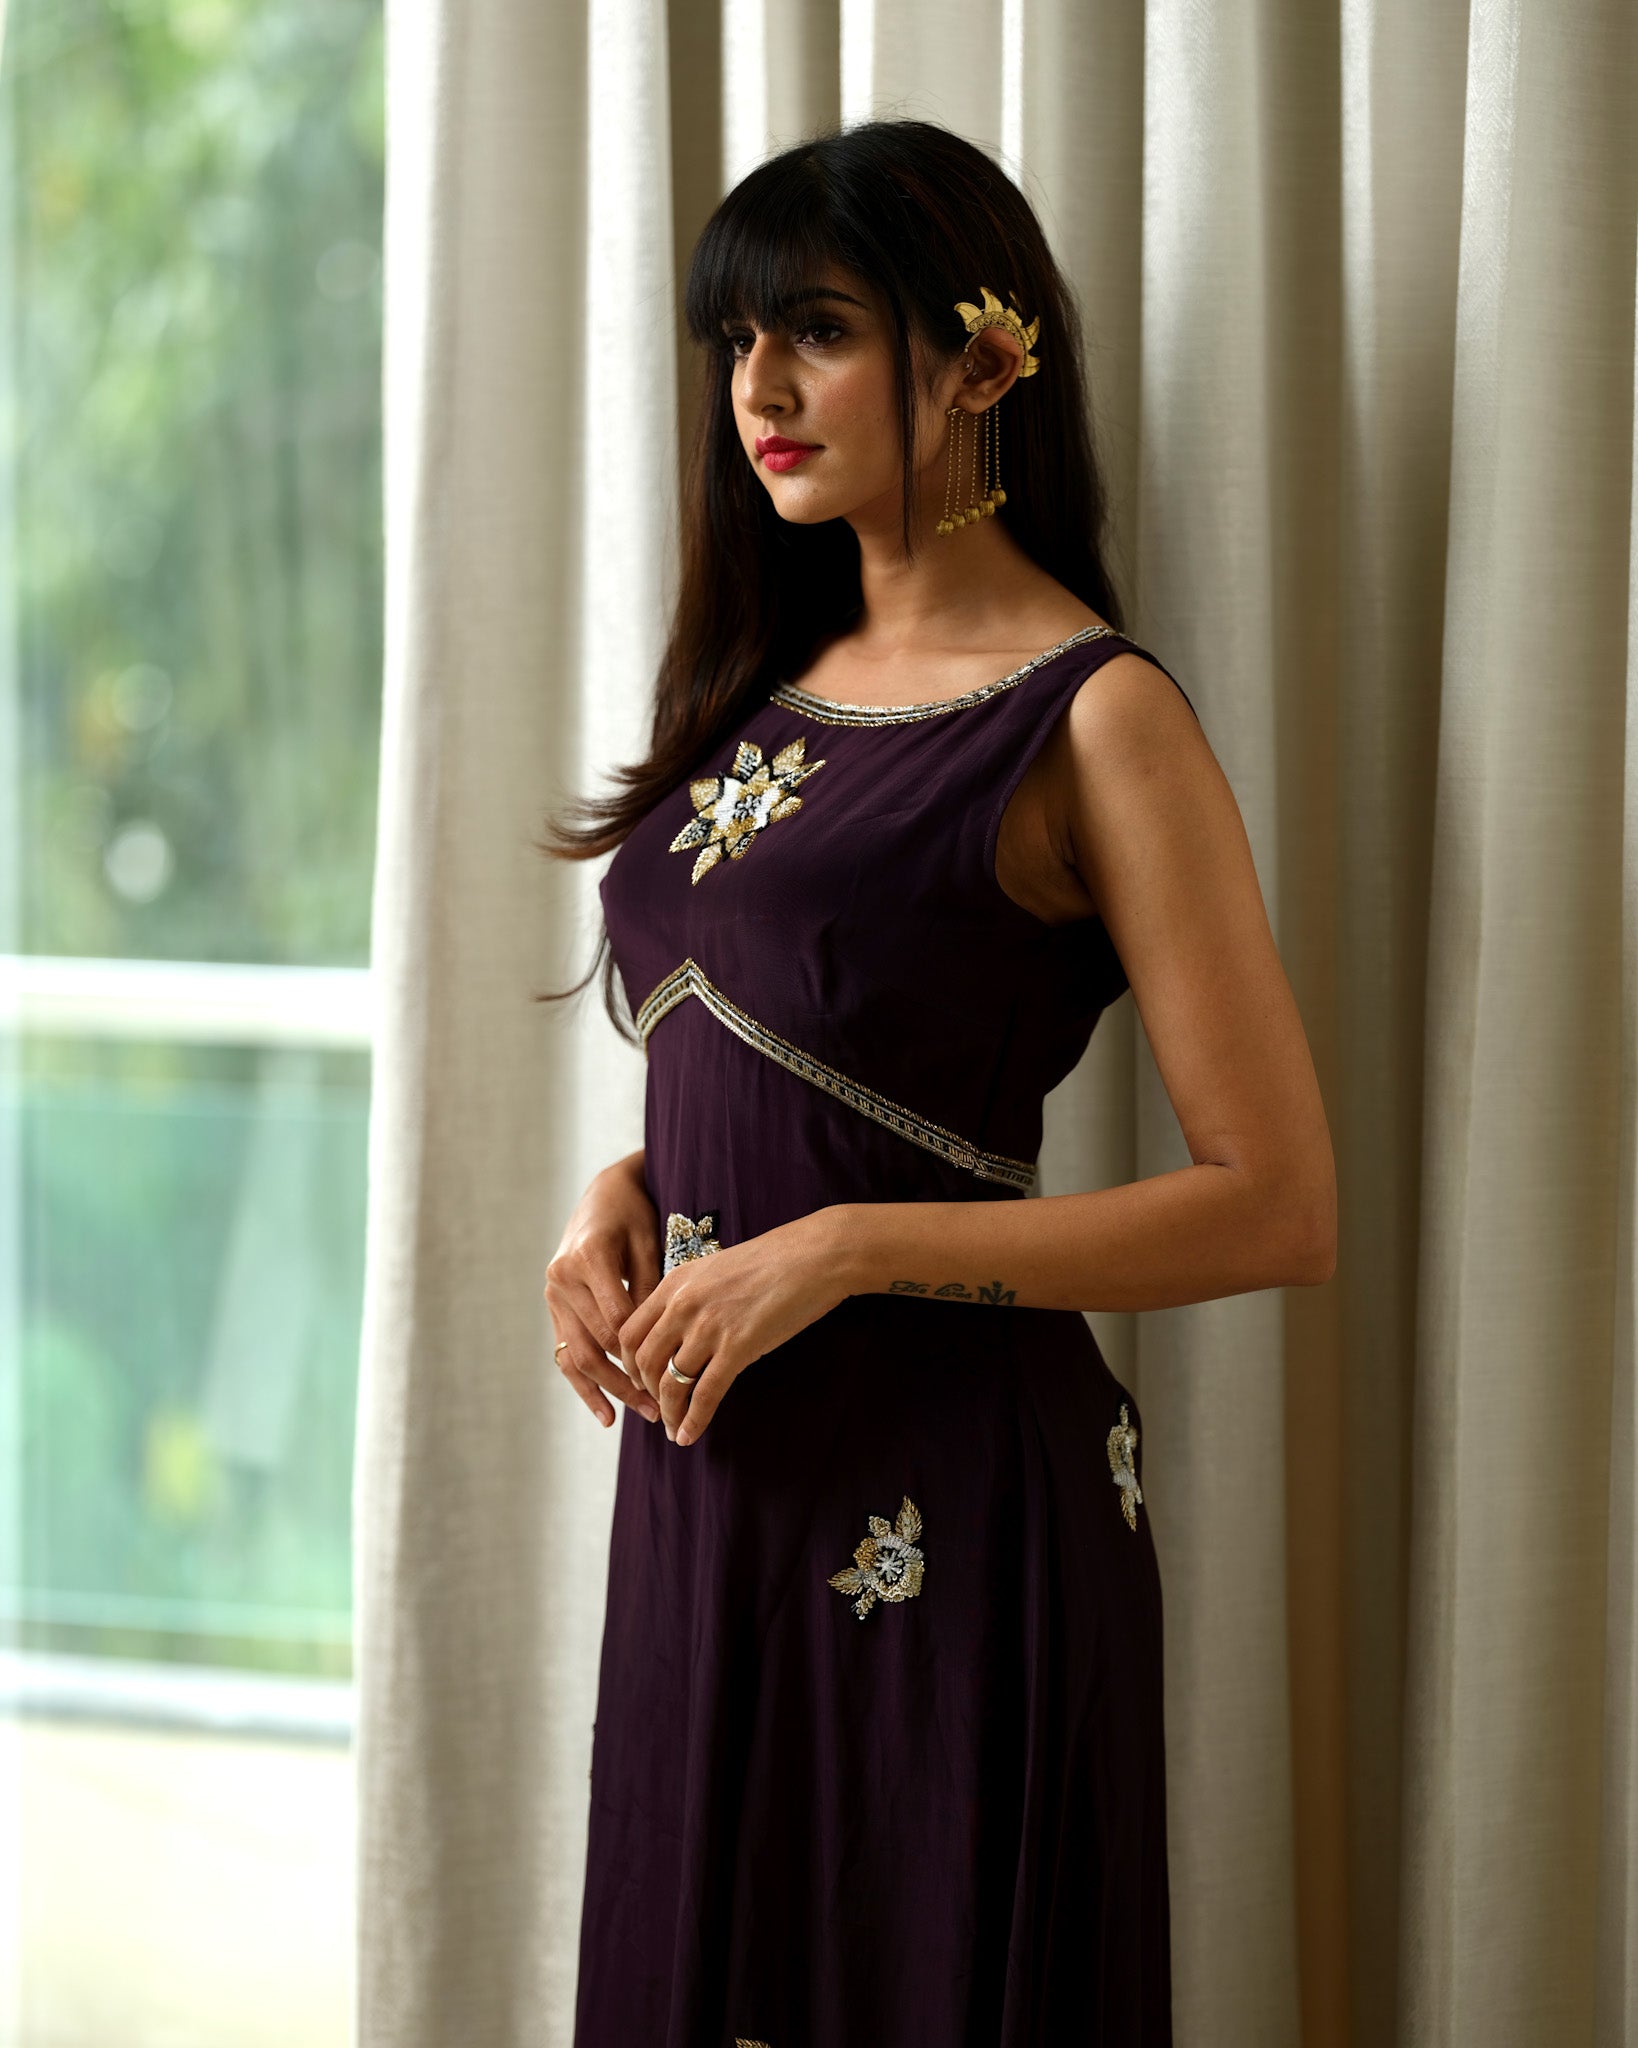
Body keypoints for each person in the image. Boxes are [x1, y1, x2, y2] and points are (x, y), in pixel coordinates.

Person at [536, 116, 1335, 2047]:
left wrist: (841, 1254)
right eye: (735, 340)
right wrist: (614, 1199)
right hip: (709, 1487)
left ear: (982, 359)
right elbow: (797, 1049)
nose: (757, 390)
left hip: (952, 1511)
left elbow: (1276, 1203)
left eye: (811, 329)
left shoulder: (1096, 718)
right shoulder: (759, 679)